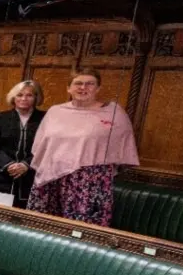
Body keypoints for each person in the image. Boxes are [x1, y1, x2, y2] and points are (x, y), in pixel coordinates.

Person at [27, 70, 139, 225]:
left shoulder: (113, 112)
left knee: (80, 228)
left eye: (90, 84)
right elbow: (41, 144)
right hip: (51, 175)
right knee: (45, 226)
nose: (83, 87)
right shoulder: (55, 111)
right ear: (68, 88)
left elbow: (123, 145)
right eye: (78, 83)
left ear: (98, 88)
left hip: (89, 179)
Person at [0, 80, 46, 207]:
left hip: (31, 177)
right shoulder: (0, 117)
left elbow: (46, 147)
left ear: (36, 98)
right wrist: (9, 164)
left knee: (24, 216)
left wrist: (26, 164)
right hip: (1, 176)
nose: (24, 99)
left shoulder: (45, 118)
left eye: (29, 95)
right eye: (19, 95)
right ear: (13, 97)